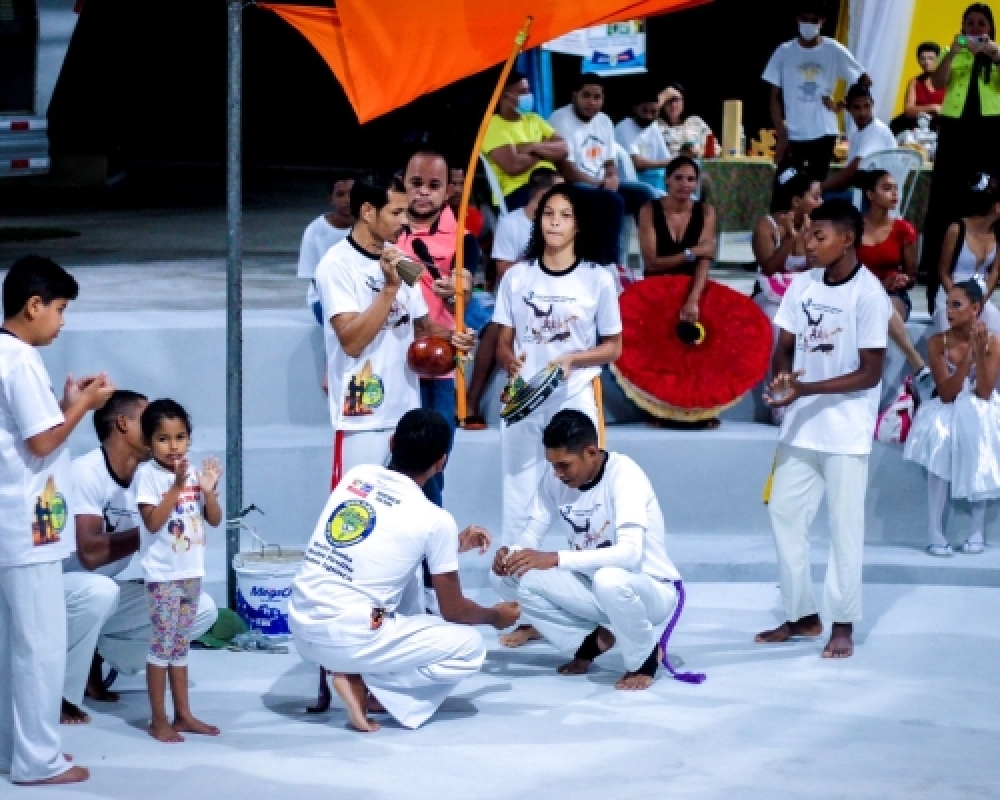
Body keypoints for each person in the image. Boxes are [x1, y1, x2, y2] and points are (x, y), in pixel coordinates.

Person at [288, 409, 520, 733]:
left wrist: (451, 545)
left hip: (300, 626)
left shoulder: (357, 477)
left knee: (406, 579)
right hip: (354, 636)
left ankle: (352, 672)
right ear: (442, 462)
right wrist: (496, 617)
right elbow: (455, 611)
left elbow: (378, 544)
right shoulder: (434, 519)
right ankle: (369, 686)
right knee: (470, 647)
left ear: (392, 442)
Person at [757, 200, 892, 660]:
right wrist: (781, 379)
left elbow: (871, 372)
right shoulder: (802, 286)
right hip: (800, 427)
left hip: (846, 432)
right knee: (784, 516)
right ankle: (801, 615)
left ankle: (842, 623)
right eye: (808, 236)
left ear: (848, 239)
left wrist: (806, 387)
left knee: (844, 530)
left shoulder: (869, 295)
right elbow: (785, 346)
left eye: (819, 237)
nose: (808, 244)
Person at [492, 184, 623, 647]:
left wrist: (574, 360)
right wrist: (508, 360)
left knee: (579, 503)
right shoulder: (518, 278)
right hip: (523, 402)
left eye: (564, 215)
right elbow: (503, 336)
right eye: (548, 213)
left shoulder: (598, 279)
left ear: (577, 224)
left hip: (573, 399)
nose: (554, 221)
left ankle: (588, 601)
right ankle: (527, 608)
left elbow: (614, 346)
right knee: (518, 497)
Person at [0, 255, 114, 785]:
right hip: (27, 527)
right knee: (40, 649)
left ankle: (15, 751)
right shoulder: (19, 360)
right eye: (60, 309)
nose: (62, 321)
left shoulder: (7, 355)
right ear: (33, 305)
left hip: (17, 523)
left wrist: (67, 403)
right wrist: (85, 407)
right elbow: (43, 440)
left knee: (16, 649)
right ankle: (37, 761)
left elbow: (36, 428)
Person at [492, 410, 693, 690]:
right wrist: (512, 552)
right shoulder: (555, 481)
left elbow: (630, 554)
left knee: (609, 579)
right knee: (507, 575)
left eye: (564, 465)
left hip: (649, 590)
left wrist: (555, 559)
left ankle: (644, 660)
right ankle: (589, 643)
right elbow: (532, 532)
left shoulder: (626, 475)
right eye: (552, 465)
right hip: (593, 587)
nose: (557, 474)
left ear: (590, 452)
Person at [314, 175, 475, 485]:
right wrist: (389, 290)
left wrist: (456, 338)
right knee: (358, 514)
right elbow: (351, 341)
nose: (405, 222)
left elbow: (422, 328)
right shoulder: (336, 266)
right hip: (361, 417)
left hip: (405, 414)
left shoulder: (402, 261)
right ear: (367, 212)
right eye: (396, 213)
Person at [64, 390, 218, 713]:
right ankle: (63, 694)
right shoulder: (86, 471)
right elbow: (90, 554)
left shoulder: (152, 475)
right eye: (146, 419)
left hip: (104, 598)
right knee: (99, 590)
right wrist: (155, 527)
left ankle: (99, 653)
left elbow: (206, 519)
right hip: (66, 597)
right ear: (123, 423)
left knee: (202, 609)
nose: (168, 440)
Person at [396, 149, 482, 505]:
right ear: (403, 182)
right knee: (393, 460)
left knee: (433, 461)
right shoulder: (387, 230)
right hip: (391, 361)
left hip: (438, 365)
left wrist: (456, 292)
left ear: (449, 190)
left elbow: (465, 285)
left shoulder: (462, 238)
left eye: (434, 185)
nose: (423, 193)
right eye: (416, 183)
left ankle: (430, 542)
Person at [135, 399, 222, 743]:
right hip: (163, 577)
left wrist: (208, 491)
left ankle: (183, 714)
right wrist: (176, 486)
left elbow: (213, 519)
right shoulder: (148, 476)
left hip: (191, 571)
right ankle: (158, 719)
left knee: (181, 647)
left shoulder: (194, 475)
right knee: (161, 647)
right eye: (163, 439)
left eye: (180, 437)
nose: (173, 446)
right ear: (148, 442)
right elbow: (153, 522)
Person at [904, 281, 1000, 556]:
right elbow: (945, 394)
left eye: (956, 305)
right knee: (940, 435)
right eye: (947, 304)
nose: (948, 310)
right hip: (947, 404)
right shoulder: (937, 342)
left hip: (980, 406)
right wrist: (967, 362)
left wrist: (979, 357)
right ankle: (935, 531)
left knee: (978, 424)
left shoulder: (993, 342)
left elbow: (983, 392)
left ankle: (977, 529)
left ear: (975, 309)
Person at [463, 169, 564, 428]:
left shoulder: (561, 225)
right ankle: (471, 401)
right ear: (543, 195)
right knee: (496, 328)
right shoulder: (512, 223)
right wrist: (536, 260)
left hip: (555, 297)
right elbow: (503, 272)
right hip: (514, 299)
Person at [920, 4, 1000, 300]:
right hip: (955, 132)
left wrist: (995, 55)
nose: (976, 29)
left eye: (982, 23)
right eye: (970, 23)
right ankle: (939, 273)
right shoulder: (950, 51)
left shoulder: (997, 54)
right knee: (947, 198)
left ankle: (987, 274)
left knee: (987, 196)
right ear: (962, 27)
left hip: (989, 132)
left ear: (990, 28)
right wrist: (954, 52)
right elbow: (938, 82)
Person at [549, 73, 659, 265]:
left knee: (646, 194)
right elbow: (567, 170)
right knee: (612, 201)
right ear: (574, 96)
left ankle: (652, 260)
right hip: (574, 185)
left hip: (600, 184)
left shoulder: (605, 121)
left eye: (597, 97)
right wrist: (601, 183)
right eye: (586, 95)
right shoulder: (560, 119)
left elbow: (609, 161)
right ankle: (611, 265)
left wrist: (613, 176)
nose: (591, 102)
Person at [763, 0, 868, 187]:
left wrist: (841, 104)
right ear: (797, 20)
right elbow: (774, 98)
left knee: (814, 190)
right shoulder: (784, 51)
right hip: (794, 134)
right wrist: (782, 135)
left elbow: (864, 79)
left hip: (823, 132)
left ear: (822, 22)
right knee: (785, 188)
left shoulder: (833, 49)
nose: (809, 24)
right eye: (805, 19)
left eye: (814, 20)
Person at [752, 167, 823, 424]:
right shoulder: (766, 225)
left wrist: (810, 239)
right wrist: (790, 240)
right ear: (796, 202)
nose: (821, 202)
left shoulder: (817, 228)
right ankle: (778, 400)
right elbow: (770, 267)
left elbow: (819, 267)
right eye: (815, 197)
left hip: (804, 298)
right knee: (777, 326)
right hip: (770, 298)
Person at [856, 169, 932, 390]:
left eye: (895, 189)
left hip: (893, 295)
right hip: (858, 292)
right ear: (870, 194)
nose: (894, 194)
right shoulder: (854, 227)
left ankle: (903, 369)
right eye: (887, 189)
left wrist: (900, 280)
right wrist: (878, 285)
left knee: (882, 305)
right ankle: (915, 364)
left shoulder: (903, 230)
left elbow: (911, 276)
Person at [638, 156, 717, 322]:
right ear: (667, 179)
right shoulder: (649, 210)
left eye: (691, 179)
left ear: (696, 184)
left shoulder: (706, 212)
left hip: (692, 286)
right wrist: (692, 252)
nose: (685, 184)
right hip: (656, 287)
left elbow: (704, 261)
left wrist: (694, 298)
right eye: (678, 178)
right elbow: (652, 263)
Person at [482, 71, 568, 211]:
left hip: (552, 182)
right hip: (519, 191)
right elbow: (513, 166)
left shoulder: (534, 118)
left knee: (607, 202)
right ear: (505, 96)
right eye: (522, 92)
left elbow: (564, 148)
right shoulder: (492, 126)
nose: (528, 96)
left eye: (528, 91)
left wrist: (532, 146)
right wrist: (545, 148)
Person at [934, 173, 1000, 335]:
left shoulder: (998, 234)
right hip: (950, 295)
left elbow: (995, 272)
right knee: (954, 336)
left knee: (994, 330)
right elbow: (943, 272)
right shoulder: (957, 229)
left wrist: (979, 303)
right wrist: (958, 301)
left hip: (979, 299)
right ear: (996, 207)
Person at [298, 173, 356, 325]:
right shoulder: (314, 231)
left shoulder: (370, 226)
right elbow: (314, 276)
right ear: (330, 199)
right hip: (325, 300)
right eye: (340, 195)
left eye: (351, 194)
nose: (347, 200)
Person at [822, 82, 897, 195]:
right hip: (868, 194)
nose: (863, 113)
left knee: (819, 200)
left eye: (866, 106)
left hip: (876, 199)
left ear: (872, 104)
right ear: (848, 108)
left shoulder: (876, 130)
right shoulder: (857, 134)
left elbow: (851, 171)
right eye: (857, 107)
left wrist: (821, 187)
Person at [615, 85, 673, 193]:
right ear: (635, 108)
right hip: (633, 184)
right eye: (645, 111)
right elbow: (638, 164)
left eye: (653, 112)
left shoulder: (653, 126)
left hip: (657, 182)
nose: (649, 116)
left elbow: (665, 158)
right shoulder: (623, 127)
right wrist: (672, 161)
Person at [657, 83, 714, 158]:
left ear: (683, 101)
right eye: (669, 100)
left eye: (676, 99)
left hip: (697, 166)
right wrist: (662, 96)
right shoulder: (656, 124)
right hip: (667, 167)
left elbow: (715, 150)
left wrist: (696, 152)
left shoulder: (695, 121)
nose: (673, 105)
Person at [899, 42, 946, 131]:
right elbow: (908, 111)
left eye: (931, 58)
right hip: (918, 129)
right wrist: (933, 108)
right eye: (922, 59)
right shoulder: (914, 82)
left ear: (940, 59)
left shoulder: (949, 81)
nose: (926, 62)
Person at [445, 165, 484, 238]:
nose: (458, 190)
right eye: (452, 183)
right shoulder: (429, 216)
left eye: (462, 183)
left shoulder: (474, 216)